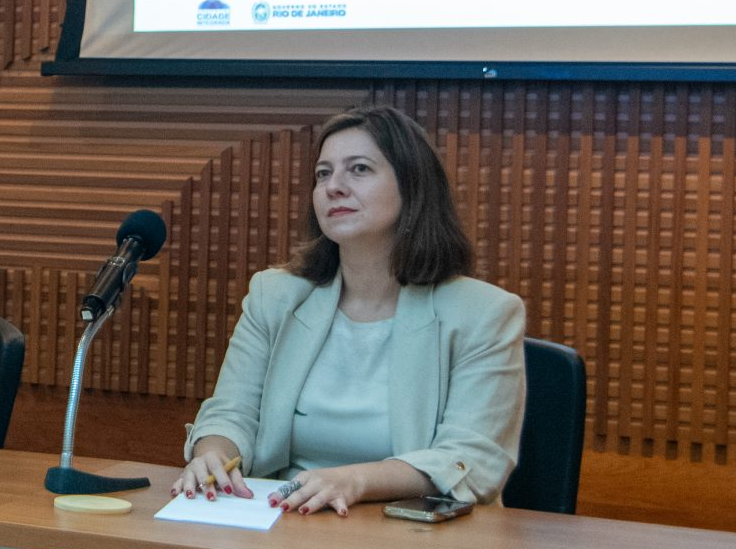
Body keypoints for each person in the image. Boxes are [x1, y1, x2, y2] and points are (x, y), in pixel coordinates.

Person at [172, 105, 524, 514]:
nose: (334, 187)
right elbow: (232, 412)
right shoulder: (276, 295)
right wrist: (213, 453)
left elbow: (471, 458)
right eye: (323, 174)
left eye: (358, 169)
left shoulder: (483, 313)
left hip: (412, 532)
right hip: (281, 519)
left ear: (412, 187)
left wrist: (353, 480)